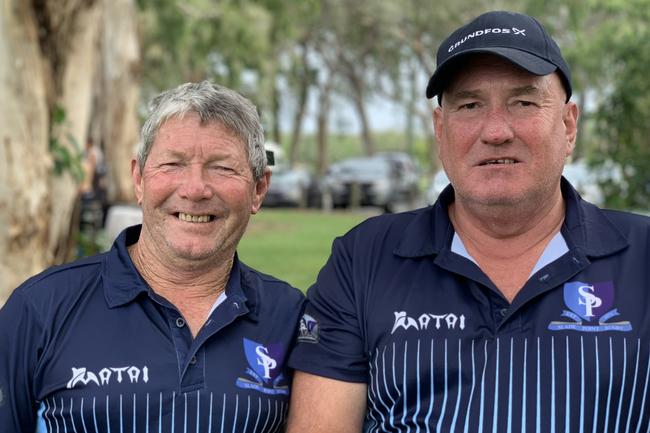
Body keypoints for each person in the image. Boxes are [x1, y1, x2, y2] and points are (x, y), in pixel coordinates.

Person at [287, 10, 650, 433]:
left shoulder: (642, 257)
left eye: (524, 102)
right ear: (440, 130)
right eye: (470, 104)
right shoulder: (362, 259)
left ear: (569, 125)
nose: (495, 130)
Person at [0, 81, 305, 432]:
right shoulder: (41, 308)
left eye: (222, 168)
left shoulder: (290, 317)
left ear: (259, 190)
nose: (194, 189)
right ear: (139, 180)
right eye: (173, 163)